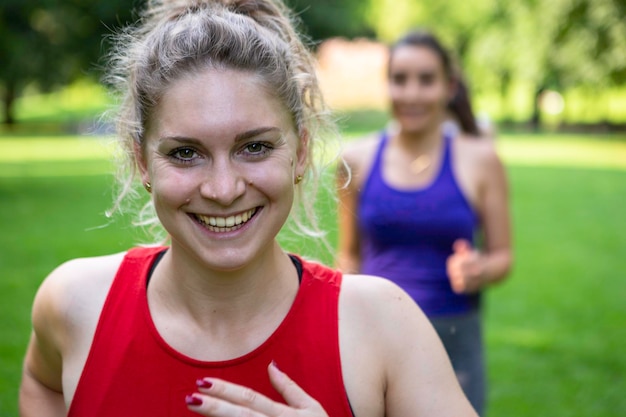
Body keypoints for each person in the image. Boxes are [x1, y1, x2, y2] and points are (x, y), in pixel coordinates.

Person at [19, 3, 478, 417]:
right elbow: (42, 384)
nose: (223, 189)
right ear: (142, 161)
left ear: (300, 152)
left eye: (254, 147)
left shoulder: (384, 326)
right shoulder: (76, 305)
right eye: (185, 153)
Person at [336, 30, 512, 415]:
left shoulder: (481, 159)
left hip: (452, 334)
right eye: (400, 79)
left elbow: (503, 256)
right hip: (372, 333)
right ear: (388, 85)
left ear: (449, 86)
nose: (411, 94)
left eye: (426, 80)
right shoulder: (356, 159)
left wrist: (479, 268)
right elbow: (347, 257)